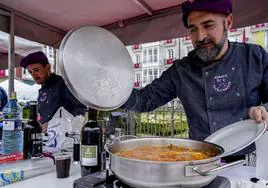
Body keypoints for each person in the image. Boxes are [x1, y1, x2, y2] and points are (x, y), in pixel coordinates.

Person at [122, 0, 268, 162]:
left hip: (251, 159)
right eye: (193, 29)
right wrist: (111, 93)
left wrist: (263, 109)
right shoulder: (181, 71)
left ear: (228, 22)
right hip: (201, 160)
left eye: (208, 25)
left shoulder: (255, 57)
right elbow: (144, 100)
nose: (200, 37)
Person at [20, 51, 87, 132]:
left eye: (36, 70)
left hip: (64, 140)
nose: (33, 75)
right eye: (30, 72)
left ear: (48, 67)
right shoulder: (42, 89)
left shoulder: (64, 84)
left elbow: (81, 112)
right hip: (47, 139)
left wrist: (54, 123)